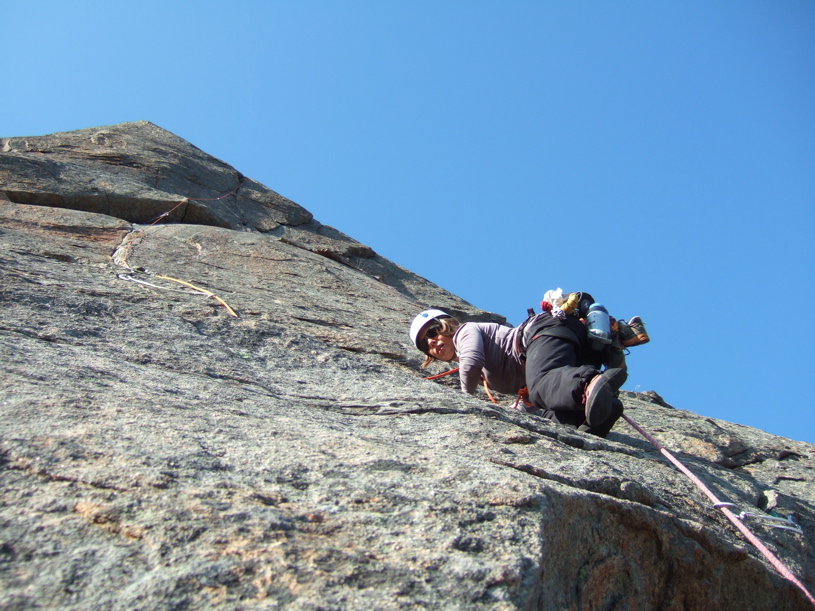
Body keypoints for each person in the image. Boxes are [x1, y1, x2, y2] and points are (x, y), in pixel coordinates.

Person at [409, 294, 640, 438]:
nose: (431, 342)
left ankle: (589, 384)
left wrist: (464, 402)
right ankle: (601, 414)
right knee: (548, 410)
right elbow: (530, 396)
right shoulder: (488, 374)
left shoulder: (465, 332)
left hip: (543, 333)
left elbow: (471, 362)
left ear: (446, 325)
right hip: (565, 351)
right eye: (424, 345)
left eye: (432, 332)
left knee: (542, 386)